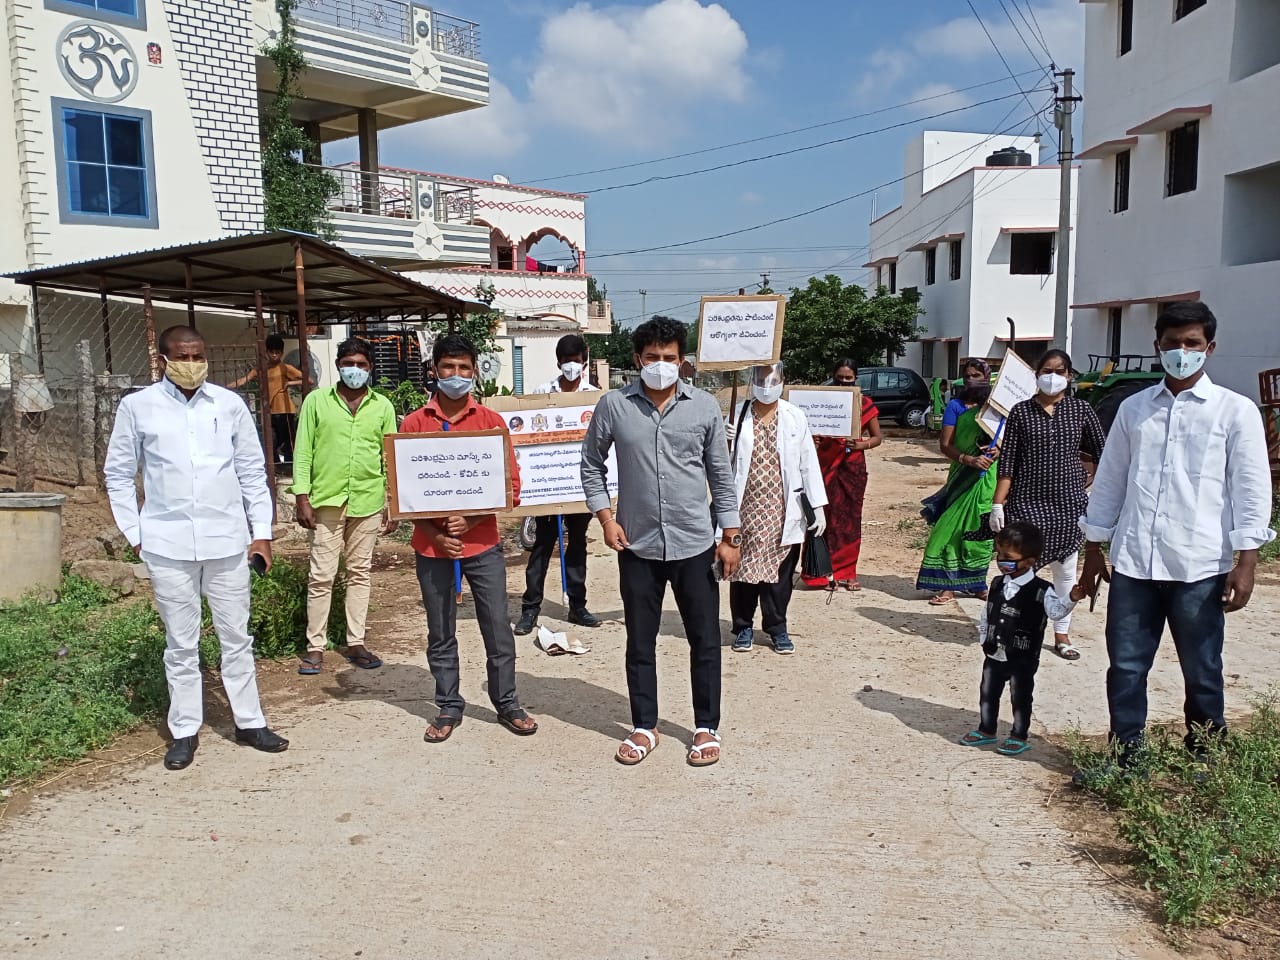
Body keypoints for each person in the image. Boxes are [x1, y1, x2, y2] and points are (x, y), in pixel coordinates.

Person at [1079, 301, 1275, 770]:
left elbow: (1250, 486)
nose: (1181, 352)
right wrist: (1093, 549)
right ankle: (1127, 754)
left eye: (1191, 344)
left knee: (1203, 666)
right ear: (1157, 348)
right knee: (1126, 666)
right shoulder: (1133, 410)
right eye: (1172, 344)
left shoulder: (1234, 411)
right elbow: (1110, 481)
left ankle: (1205, 750)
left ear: (1210, 347)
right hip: (1134, 563)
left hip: (1200, 564)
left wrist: (1246, 561)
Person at [104, 325, 288, 770]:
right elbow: (119, 474)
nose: (193, 363)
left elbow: (250, 471)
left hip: (226, 543)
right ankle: (184, 729)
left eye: (198, 355)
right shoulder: (138, 408)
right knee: (181, 644)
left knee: (236, 638)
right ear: (164, 361)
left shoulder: (228, 405)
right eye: (183, 356)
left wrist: (259, 531)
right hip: (166, 546)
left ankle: (249, 721)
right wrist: (137, 534)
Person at [581, 316, 740, 767]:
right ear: (637, 360)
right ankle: (644, 725)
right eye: (652, 358)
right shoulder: (613, 406)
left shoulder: (704, 407)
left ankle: (706, 727)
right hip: (636, 546)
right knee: (640, 641)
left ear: (682, 361)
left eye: (669, 358)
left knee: (704, 640)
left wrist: (730, 535)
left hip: (695, 545)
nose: (660, 365)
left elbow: (721, 476)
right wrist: (606, 519)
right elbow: (591, 463)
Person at [400, 334, 537, 744]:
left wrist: (472, 518)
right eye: (448, 367)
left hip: (483, 545)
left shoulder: (491, 424)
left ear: (475, 372)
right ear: (434, 370)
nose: (455, 375)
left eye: (463, 368)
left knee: (497, 626)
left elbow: (511, 487)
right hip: (431, 547)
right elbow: (401, 496)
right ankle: (448, 705)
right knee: (440, 629)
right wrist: (435, 534)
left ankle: (507, 702)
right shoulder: (413, 424)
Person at [290, 337, 399, 676]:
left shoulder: (382, 406)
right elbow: (303, 449)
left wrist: (392, 502)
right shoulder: (316, 402)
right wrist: (301, 495)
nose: (355, 370)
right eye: (348, 363)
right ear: (338, 365)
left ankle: (355, 641)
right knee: (321, 575)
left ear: (370, 368)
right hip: (327, 500)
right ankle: (315, 647)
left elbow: (389, 457)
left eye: (361, 365)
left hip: (367, 500)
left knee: (359, 573)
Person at [990, 349, 1105, 661]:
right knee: (1020, 572)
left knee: (1065, 573)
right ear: (1036, 374)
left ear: (1069, 375)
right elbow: (1008, 464)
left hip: (1069, 505)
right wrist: (998, 505)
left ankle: (1062, 633)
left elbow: (1104, 454)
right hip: (1026, 503)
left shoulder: (1081, 410)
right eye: (1046, 370)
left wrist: (1094, 489)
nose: (1052, 377)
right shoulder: (1020, 412)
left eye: (1059, 371)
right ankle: (1011, 629)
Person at [724, 362, 827, 654]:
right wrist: (724, 438)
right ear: (751, 379)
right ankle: (743, 627)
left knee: (780, 573)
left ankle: (777, 628)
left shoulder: (794, 416)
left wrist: (817, 506)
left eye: (773, 378)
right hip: (745, 507)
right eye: (760, 377)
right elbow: (722, 464)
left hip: (783, 508)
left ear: (783, 379)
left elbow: (808, 463)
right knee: (743, 571)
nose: (766, 384)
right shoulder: (738, 414)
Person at [960, 522, 1086, 756]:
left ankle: (1019, 734)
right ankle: (987, 729)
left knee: (1020, 696)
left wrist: (1071, 598)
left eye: (1008, 557)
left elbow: (1056, 611)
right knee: (988, 691)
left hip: (1023, 657)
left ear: (1029, 561)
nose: (1001, 560)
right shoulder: (997, 583)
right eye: (999, 554)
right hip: (994, 651)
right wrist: (983, 637)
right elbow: (987, 612)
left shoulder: (1042, 590)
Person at [516, 334, 602, 635]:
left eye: (576, 361)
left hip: (580, 486)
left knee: (577, 545)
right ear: (558, 362)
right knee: (542, 545)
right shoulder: (543, 392)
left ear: (584, 362)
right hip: (550, 486)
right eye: (566, 361)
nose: (571, 366)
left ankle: (578, 606)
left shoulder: (595, 396)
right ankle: (530, 609)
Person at [916, 362, 997, 602]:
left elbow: (1008, 439)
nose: (972, 380)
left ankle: (977, 583)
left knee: (979, 531)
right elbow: (945, 444)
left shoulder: (996, 408)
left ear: (988, 377)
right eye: (967, 376)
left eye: (977, 375)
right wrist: (968, 459)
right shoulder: (956, 406)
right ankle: (947, 585)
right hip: (963, 474)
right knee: (949, 529)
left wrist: (997, 452)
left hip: (988, 477)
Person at [801, 359, 881, 591]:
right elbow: (803, 432)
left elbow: (877, 438)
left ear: (856, 378)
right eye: (840, 377)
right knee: (821, 518)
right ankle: (821, 572)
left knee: (848, 521)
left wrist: (859, 445)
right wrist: (810, 440)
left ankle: (848, 572)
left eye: (849, 378)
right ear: (833, 376)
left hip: (851, 470)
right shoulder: (818, 403)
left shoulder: (864, 404)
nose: (844, 381)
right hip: (822, 467)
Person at [228, 334, 310, 467]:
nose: (274, 355)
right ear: (266, 352)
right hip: (268, 411)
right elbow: (244, 379)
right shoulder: (261, 369)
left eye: (277, 352)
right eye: (271, 352)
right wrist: (224, 387)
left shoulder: (285, 368)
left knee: (289, 441)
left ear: (281, 353)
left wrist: (290, 383)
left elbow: (308, 380)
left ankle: (291, 467)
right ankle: (276, 467)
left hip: (285, 410)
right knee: (271, 442)